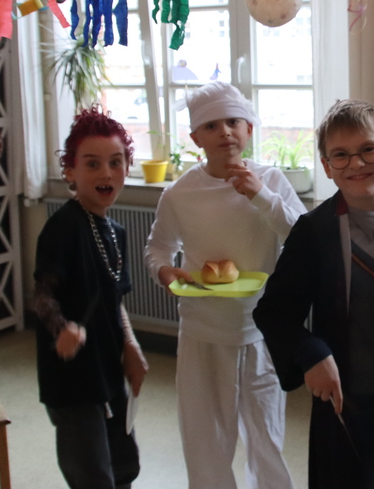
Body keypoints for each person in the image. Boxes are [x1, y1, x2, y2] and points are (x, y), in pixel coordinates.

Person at [254, 99, 374, 489]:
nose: (356, 163)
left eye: (368, 150)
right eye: (340, 155)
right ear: (327, 167)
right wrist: (312, 354)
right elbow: (273, 312)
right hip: (357, 398)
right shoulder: (314, 233)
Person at [144, 81, 306, 489]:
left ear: (249, 128)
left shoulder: (270, 179)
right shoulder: (180, 194)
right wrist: (164, 272)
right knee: (205, 441)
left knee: (267, 439)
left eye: (234, 122)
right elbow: (158, 248)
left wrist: (260, 195)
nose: (225, 132)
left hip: (261, 334)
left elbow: (303, 238)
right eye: (211, 126)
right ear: (196, 138)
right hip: (202, 332)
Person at [34, 107, 149, 489]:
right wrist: (61, 328)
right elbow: (43, 295)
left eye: (116, 162)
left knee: (124, 468)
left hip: (108, 371)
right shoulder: (63, 228)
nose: (106, 173)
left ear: (127, 166)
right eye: (93, 164)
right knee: (93, 477)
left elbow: (115, 300)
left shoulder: (116, 231)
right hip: (74, 383)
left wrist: (130, 345)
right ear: (70, 171)